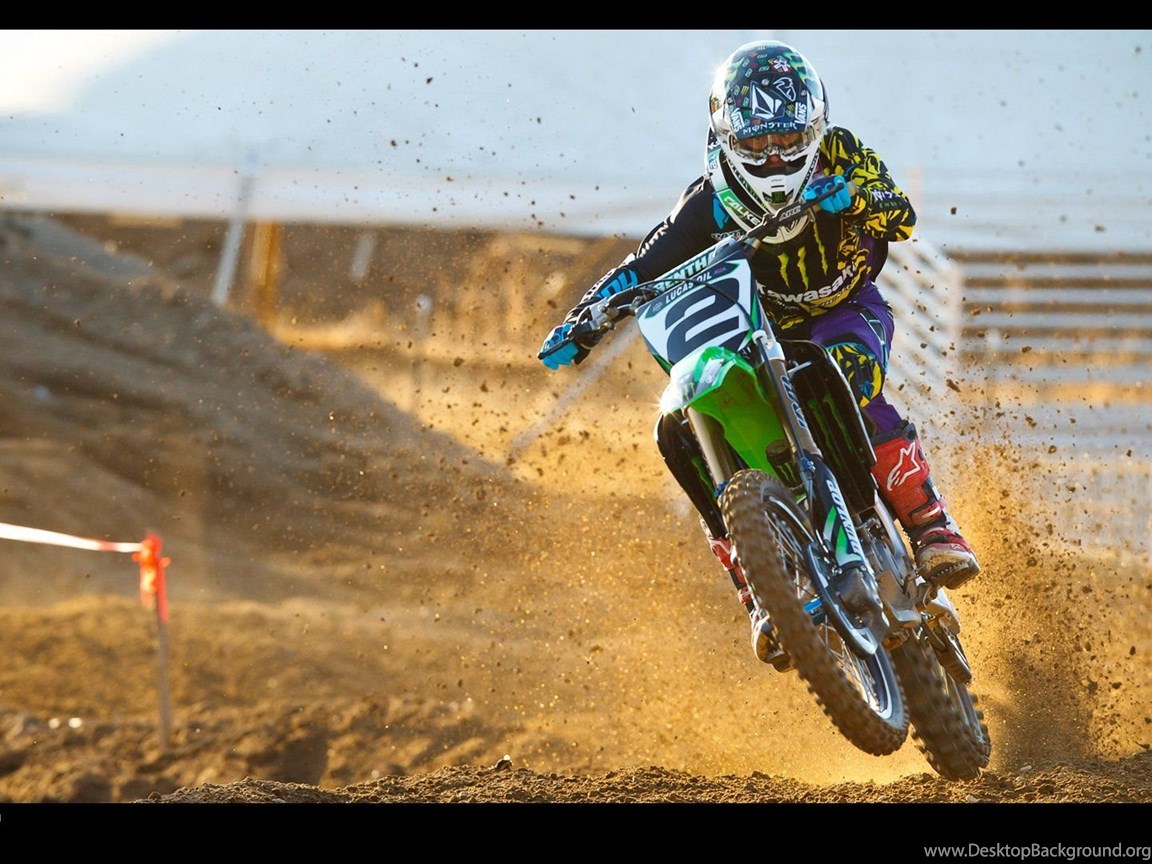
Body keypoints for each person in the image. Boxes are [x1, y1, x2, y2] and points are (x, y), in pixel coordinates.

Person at [537, 39, 980, 664]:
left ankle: (931, 523)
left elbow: (901, 216)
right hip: (762, 330)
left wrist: (854, 198)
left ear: (814, 128)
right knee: (676, 430)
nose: (774, 157)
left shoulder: (840, 154)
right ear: (726, 138)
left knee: (846, 371)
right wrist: (584, 319)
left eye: (787, 140)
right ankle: (755, 585)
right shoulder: (709, 201)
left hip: (846, 308)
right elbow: (644, 264)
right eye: (757, 144)